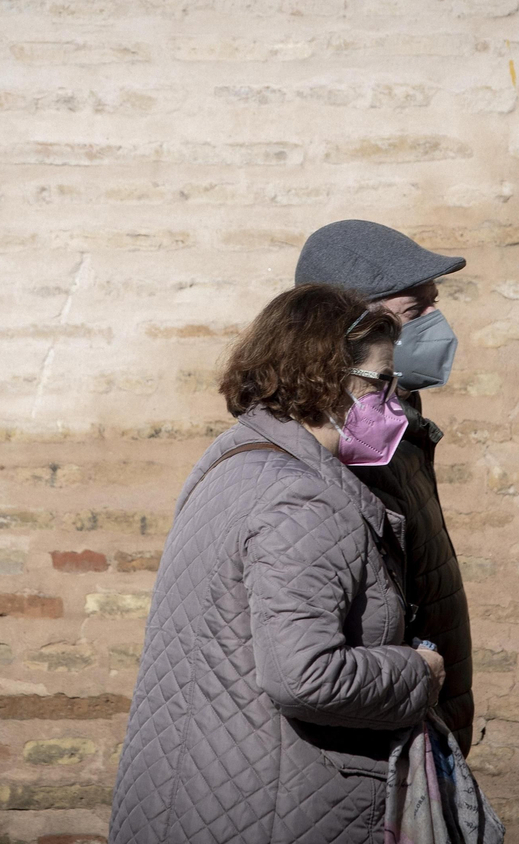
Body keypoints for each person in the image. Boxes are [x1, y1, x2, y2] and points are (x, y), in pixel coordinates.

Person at [110, 283, 446, 844]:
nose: (394, 399)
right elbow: (305, 675)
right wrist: (419, 672)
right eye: (379, 382)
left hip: (195, 790)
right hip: (276, 808)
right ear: (323, 380)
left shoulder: (233, 462)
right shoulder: (306, 498)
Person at [294, 219, 476, 754]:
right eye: (415, 310)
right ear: (348, 326)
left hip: (425, 712)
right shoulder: (334, 440)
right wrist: (414, 683)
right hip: (375, 735)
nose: (435, 324)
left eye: (433, 304)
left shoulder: (395, 420)